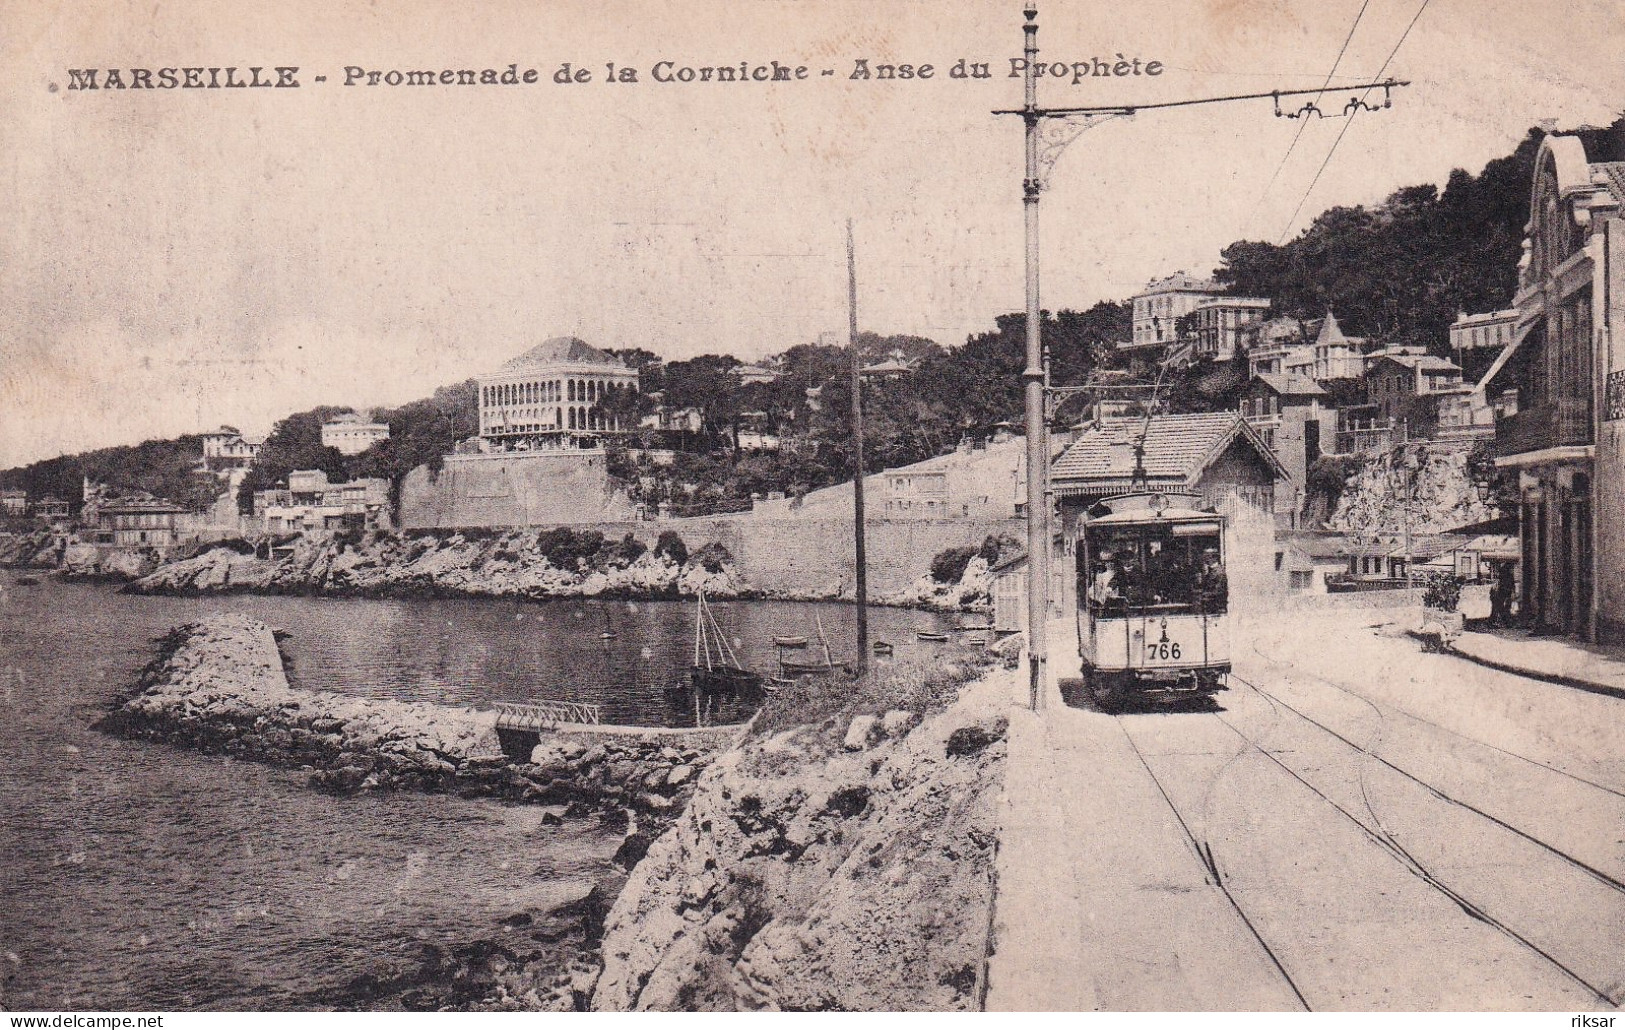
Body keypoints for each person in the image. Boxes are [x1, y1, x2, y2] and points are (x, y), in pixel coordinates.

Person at [1491, 562, 1515, 627]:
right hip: (1503, 592)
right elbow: (1511, 585)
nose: (1512, 570)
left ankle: (1502, 621)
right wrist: (1512, 592)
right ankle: (1505, 622)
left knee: (1499, 607)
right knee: (1502, 608)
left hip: (1501, 592)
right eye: (1511, 568)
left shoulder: (1501, 576)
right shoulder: (1508, 576)